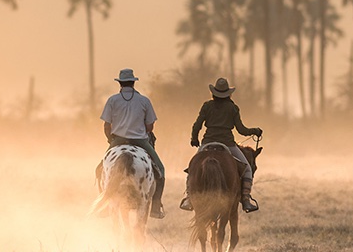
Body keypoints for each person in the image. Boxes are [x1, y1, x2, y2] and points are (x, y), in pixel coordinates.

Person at [183, 77, 262, 213]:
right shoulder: (233, 108)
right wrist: (254, 131)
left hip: (207, 142)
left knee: (192, 169)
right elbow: (241, 130)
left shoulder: (207, 106)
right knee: (247, 169)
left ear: (214, 93)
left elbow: (197, 125)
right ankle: (246, 200)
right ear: (228, 94)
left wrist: (194, 139)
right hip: (228, 144)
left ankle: (189, 198)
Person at [100, 68, 165, 218]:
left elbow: (106, 126)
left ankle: (104, 207)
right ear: (133, 83)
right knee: (160, 170)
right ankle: (155, 206)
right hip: (140, 141)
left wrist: (111, 140)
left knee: (99, 170)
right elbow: (150, 126)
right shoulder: (144, 101)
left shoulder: (112, 100)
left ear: (120, 83)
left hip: (117, 141)